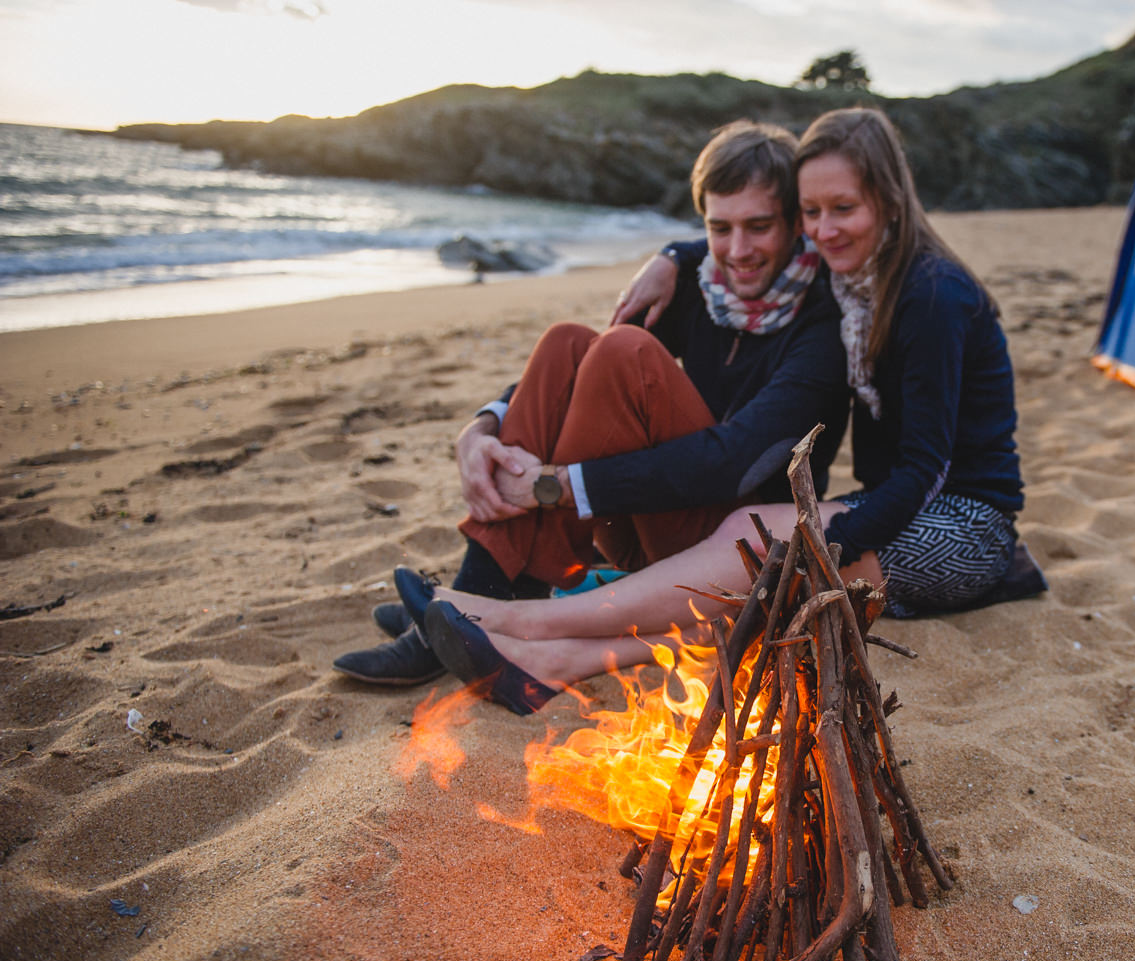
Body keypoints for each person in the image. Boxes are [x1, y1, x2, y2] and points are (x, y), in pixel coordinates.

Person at [413, 106, 1038, 716]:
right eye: (815, 212)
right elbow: (740, 232)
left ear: (891, 202)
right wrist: (674, 254)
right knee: (767, 568)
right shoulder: (851, 272)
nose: (824, 229)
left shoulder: (930, 295)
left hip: (962, 523)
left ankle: (526, 623)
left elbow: (927, 469)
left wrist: (827, 536)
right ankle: (531, 636)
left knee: (772, 580)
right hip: (899, 499)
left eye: (843, 209)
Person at [332, 120, 850, 687]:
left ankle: (485, 597)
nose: (737, 250)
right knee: (568, 341)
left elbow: (732, 461)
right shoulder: (702, 283)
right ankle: (490, 590)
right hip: (649, 527)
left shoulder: (823, 324)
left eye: (759, 227)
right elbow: (574, 371)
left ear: (796, 222)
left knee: (625, 350)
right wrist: (484, 423)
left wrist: (553, 483)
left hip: (733, 554)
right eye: (718, 228)